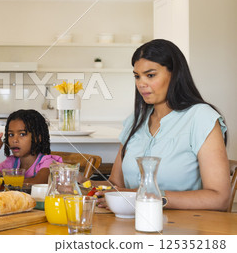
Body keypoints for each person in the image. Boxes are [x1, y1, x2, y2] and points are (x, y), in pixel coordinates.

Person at [96, 39, 230, 211]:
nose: (141, 84)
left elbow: (219, 198)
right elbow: (116, 184)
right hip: (130, 224)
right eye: (137, 76)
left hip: (185, 229)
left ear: (174, 74)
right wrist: (79, 183)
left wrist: (147, 198)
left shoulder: (201, 117)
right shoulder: (135, 121)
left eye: (150, 75)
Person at [0, 109, 62, 184]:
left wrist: (5, 181)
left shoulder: (47, 162)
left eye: (22, 134)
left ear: (38, 138)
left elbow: (38, 181)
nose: (14, 140)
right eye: (11, 134)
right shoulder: (12, 162)